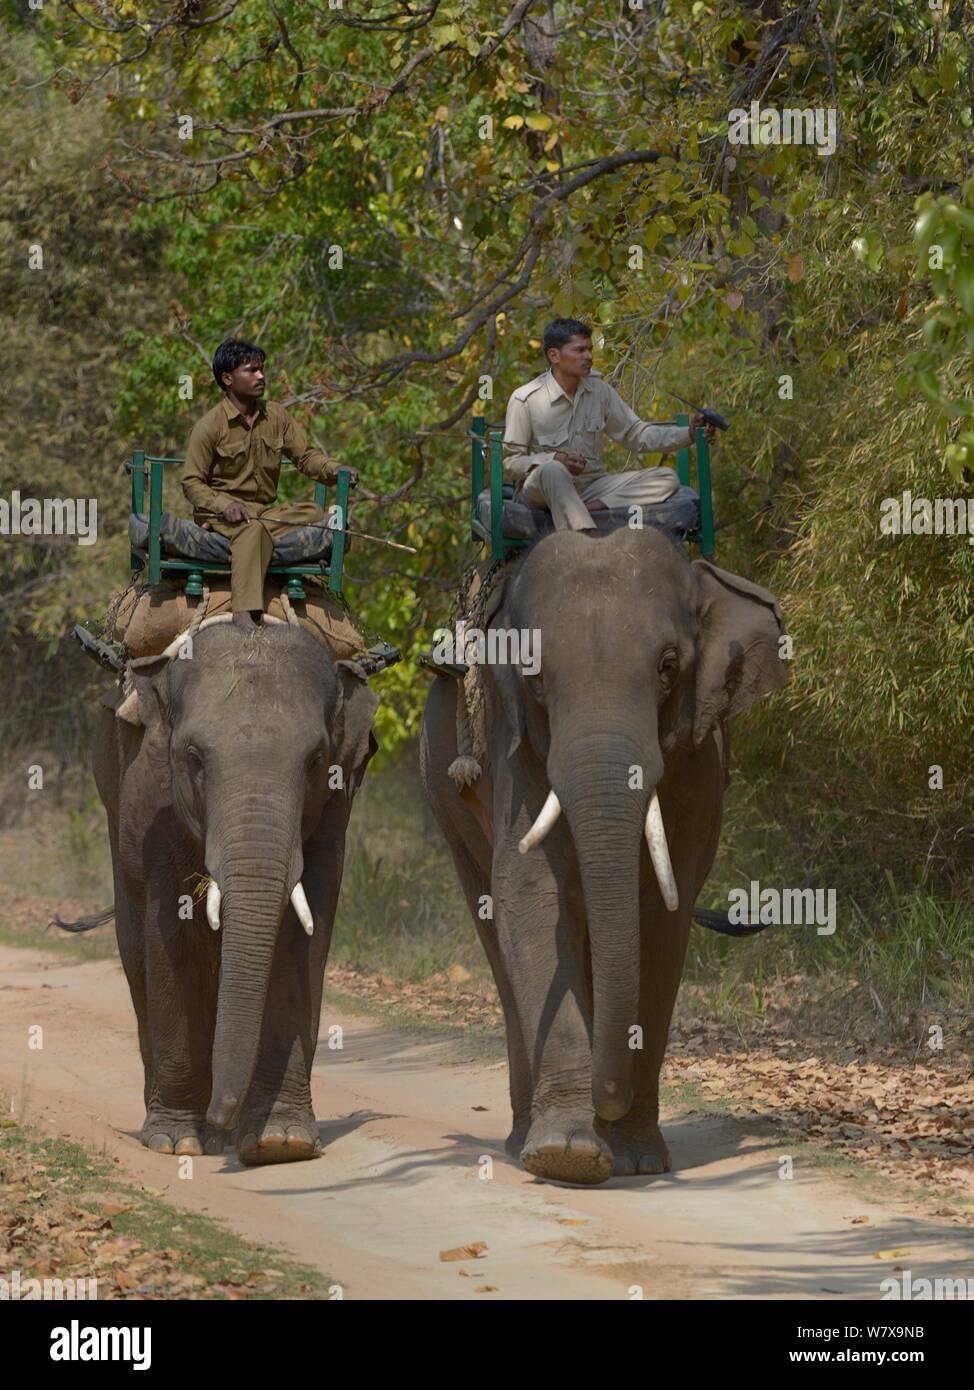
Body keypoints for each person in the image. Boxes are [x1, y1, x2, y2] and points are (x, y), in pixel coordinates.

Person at [181, 339, 358, 628]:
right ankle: (244, 613)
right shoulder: (209, 426)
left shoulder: (276, 415)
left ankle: (259, 535)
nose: (261, 376)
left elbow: (305, 458)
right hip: (223, 515)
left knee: (314, 514)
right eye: (251, 371)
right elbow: (191, 481)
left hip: (264, 512)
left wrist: (337, 470)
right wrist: (224, 505)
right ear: (227, 379)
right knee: (251, 531)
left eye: (261, 370)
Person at [503, 318, 715, 532]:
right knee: (554, 470)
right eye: (579, 350)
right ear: (554, 355)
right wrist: (553, 458)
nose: (589, 356)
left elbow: (637, 434)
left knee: (666, 478)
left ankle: (588, 509)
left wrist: (689, 433)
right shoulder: (525, 399)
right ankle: (585, 537)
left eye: (590, 349)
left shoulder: (600, 390)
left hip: (592, 487)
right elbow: (511, 463)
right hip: (543, 489)